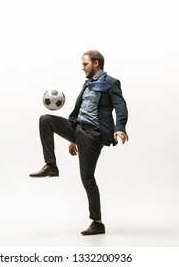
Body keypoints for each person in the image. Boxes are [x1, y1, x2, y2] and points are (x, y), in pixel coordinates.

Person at [30, 50, 128, 235]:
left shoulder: (110, 82)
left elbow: (121, 106)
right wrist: (73, 137)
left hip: (92, 135)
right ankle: (51, 165)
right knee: (46, 120)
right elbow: (82, 110)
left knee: (87, 179)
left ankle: (97, 223)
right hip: (78, 129)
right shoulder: (88, 84)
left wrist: (119, 127)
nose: (82, 67)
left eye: (85, 64)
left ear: (96, 63)